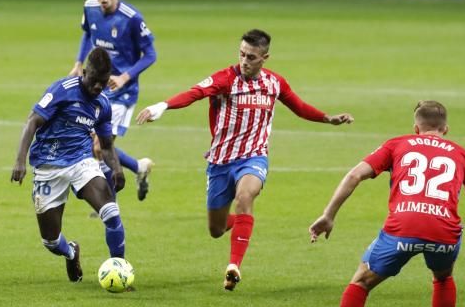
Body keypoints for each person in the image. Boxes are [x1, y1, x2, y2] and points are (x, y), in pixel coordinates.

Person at [136, 29, 353, 291]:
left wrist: (327, 118)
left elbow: (298, 105)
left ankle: (233, 266)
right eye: (241, 54)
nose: (244, 61)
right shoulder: (225, 79)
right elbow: (194, 93)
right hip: (220, 161)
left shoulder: (275, 83)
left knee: (245, 197)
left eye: (251, 56)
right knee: (216, 229)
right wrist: (163, 105)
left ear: (265, 57)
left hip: (253, 157)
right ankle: (241, 224)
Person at [310, 101, 465, 307]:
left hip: (403, 227)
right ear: (445, 128)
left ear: (416, 128)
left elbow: (355, 175)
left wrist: (328, 215)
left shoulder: (397, 144)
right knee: (443, 277)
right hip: (443, 233)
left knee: (361, 281)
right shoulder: (463, 154)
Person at [12, 47, 127, 282]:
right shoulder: (63, 90)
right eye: (94, 81)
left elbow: (105, 144)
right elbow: (33, 121)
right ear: (85, 73)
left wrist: (116, 168)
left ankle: (121, 270)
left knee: (111, 212)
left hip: (81, 161)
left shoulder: (102, 104)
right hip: (48, 165)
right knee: (51, 241)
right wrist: (20, 161)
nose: (98, 87)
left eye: (103, 83)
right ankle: (71, 252)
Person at [69, 0, 157, 201]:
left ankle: (109, 206)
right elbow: (88, 34)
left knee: (99, 147)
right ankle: (138, 167)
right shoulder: (89, 8)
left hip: (122, 92)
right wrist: (79, 62)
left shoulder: (131, 18)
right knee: (94, 145)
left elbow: (150, 54)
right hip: (97, 87)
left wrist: (125, 77)